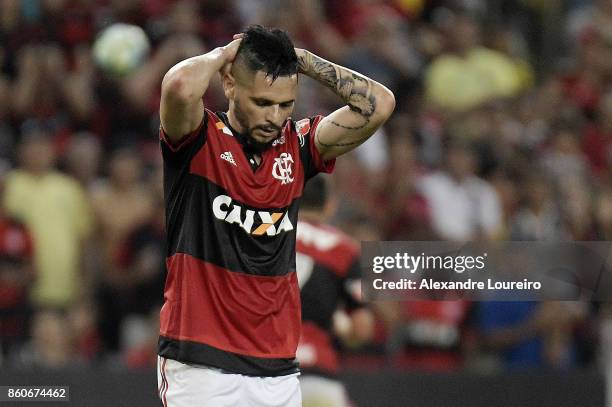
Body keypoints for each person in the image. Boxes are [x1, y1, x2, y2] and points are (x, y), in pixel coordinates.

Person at [157, 25, 395, 406]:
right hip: (200, 361)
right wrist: (226, 54)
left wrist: (300, 60)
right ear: (231, 85)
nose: (275, 117)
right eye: (263, 103)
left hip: (278, 367)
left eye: (286, 105)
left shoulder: (298, 146)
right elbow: (180, 86)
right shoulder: (198, 139)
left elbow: (378, 105)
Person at [295, 175, 374, 407]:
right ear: (330, 205)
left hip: (267, 371)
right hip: (319, 374)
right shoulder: (345, 250)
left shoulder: (267, 235)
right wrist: (343, 326)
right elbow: (362, 329)